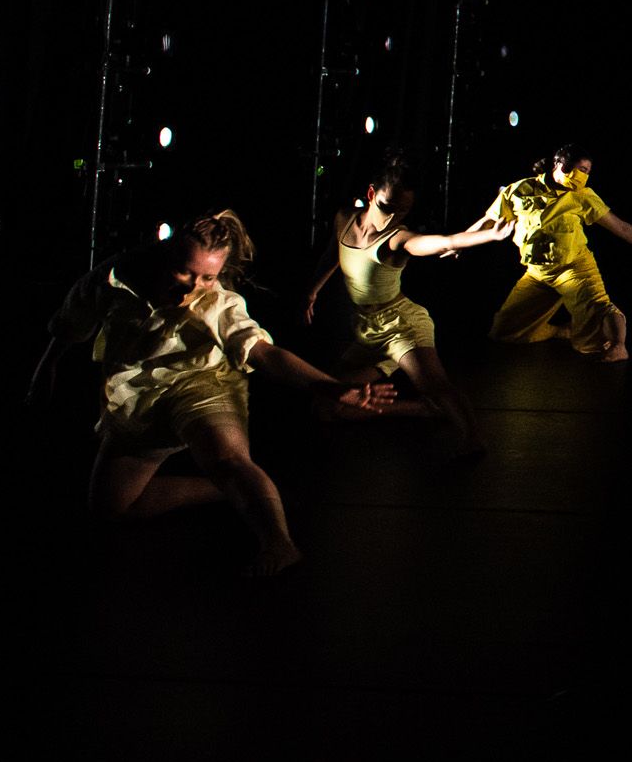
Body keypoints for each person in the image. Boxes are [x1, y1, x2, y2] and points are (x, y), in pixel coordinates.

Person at [39, 210, 389, 576]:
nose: (193, 287)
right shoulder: (117, 277)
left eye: (208, 277)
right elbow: (73, 319)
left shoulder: (218, 304)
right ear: (168, 255)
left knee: (228, 458)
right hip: (139, 397)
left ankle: (278, 542)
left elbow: (265, 354)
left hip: (202, 385)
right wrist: (46, 367)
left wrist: (331, 387)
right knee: (112, 507)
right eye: (185, 273)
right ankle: (226, 491)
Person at [302, 156, 512, 456]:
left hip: (401, 326)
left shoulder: (396, 238)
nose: (393, 217)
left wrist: (488, 235)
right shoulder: (344, 218)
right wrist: (312, 290)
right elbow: (331, 255)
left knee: (434, 383)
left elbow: (443, 242)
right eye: (388, 207)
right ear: (371, 194)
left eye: (403, 210)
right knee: (325, 406)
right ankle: (420, 408)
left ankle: (473, 438)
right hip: (366, 330)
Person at [480, 144, 632, 364]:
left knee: (599, 310)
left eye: (587, 171)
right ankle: (562, 331)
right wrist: (459, 242)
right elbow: (489, 220)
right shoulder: (519, 189)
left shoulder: (582, 195)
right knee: (504, 331)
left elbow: (620, 227)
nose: (583, 176)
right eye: (580, 169)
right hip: (537, 273)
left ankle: (619, 346)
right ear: (559, 164)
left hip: (574, 268)